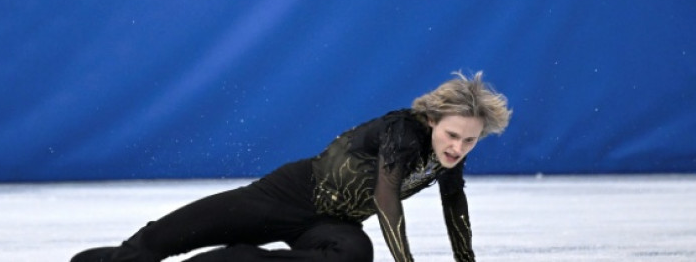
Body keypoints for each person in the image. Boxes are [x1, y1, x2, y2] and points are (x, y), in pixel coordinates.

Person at [70, 71, 511, 262]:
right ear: (432, 119)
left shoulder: (447, 157)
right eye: (452, 135)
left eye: (469, 140)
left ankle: (236, 261)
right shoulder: (403, 131)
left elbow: (454, 207)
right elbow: (385, 198)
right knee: (164, 238)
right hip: (288, 194)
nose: (458, 147)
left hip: (332, 224)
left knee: (354, 253)